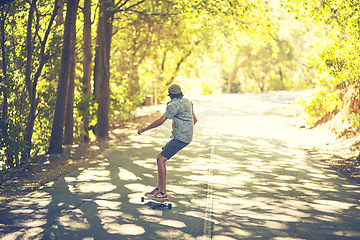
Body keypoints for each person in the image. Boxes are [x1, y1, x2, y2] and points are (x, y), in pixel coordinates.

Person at [137, 84, 197, 201]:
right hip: (186, 137)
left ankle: (163, 192)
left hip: (180, 138)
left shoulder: (172, 105)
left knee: (161, 159)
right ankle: (159, 188)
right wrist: (186, 130)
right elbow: (194, 119)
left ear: (170, 95)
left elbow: (161, 121)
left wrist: (144, 129)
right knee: (161, 158)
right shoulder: (188, 102)